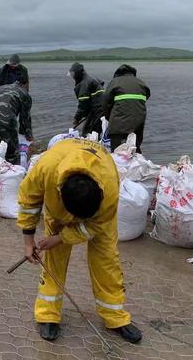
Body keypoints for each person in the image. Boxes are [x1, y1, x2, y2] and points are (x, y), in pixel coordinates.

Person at [17, 138, 142, 344]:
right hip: (57, 213)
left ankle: (114, 316)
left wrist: (61, 237)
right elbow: (29, 202)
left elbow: (95, 226)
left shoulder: (109, 185)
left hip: (101, 220)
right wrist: (28, 242)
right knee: (54, 259)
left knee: (107, 261)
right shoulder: (46, 169)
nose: (75, 222)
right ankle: (48, 314)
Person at [103, 64, 150, 153]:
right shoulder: (141, 82)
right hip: (138, 121)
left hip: (118, 122)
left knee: (117, 150)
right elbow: (147, 95)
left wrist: (108, 118)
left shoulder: (115, 82)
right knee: (135, 147)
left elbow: (106, 102)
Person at [0, 82, 33, 164]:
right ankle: (13, 173)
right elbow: (25, 118)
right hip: (6, 121)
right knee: (12, 154)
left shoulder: (1, 88)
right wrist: (28, 135)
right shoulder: (24, 94)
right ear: (25, 85)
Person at [68, 62, 104, 136]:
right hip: (101, 110)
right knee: (95, 132)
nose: (72, 76)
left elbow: (83, 103)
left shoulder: (84, 83)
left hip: (97, 112)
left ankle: (90, 146)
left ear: (77, 73)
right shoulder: (91, 79)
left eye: (73, 74)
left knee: (87, 133)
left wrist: (76, 118)